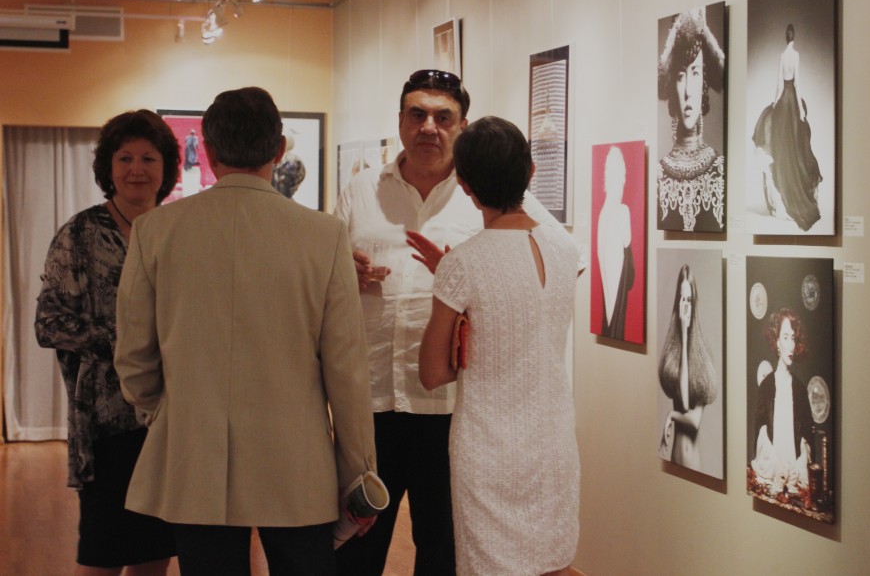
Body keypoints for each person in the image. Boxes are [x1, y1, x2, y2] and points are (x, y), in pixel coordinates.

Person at [114, 86, 377, 575]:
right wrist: (359, 470)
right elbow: (347, 370)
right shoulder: (324, 236)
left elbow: (133, 356)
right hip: (298, 462)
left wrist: (165, 412)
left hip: (195, 453)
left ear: (209, 151)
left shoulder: (155, 230)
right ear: (279, 149)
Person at [334, 69, 573, 575]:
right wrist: (340, 272)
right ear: (400, 120)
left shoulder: (491, 190)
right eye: (417, 114)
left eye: (443, 117)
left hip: (448, 408)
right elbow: (322, 279)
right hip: (371, 401)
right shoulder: (360, 190)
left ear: (462, 126)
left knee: (442, 550)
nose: (429, 127)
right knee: (355, 549)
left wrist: (472, 283)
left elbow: (561, 261)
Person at [418, 116, 579, 576]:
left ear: (464, 185)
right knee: (549, 563)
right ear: (531, 172)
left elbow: (432, 373)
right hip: (554, 441)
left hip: (488, 448)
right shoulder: (566, 250)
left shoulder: (463, 264)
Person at [34, 109, 180, 576]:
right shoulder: (79, 234)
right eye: (125, 158)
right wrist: (130, 342)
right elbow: (49, 323)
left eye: (148, 158)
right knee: (101, 557)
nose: (137, 169)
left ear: (166, 167)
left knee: (155, 555)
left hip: (171, 421)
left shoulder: (180, 230)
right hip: (105, 422)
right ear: (108, 167)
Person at [657, 7, 726, 232]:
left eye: (695, 73)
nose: (687, 91)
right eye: (680, 76)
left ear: (704, 81)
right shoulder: (659, 174)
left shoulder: (720, 168)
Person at [751, 22, 823, 231]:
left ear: (785, 37)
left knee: (783, 148)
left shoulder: (782, 56)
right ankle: (794, 192)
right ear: (794, 37)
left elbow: (779, 85)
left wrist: (774, 103)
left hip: (782, 103)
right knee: (794, 148)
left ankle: (783, 192)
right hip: (791, 103)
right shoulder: (795, 56)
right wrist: (800, 110)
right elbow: (797, 84)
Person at [657, 264, 718, 469]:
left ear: (694, 304)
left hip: (693, 464)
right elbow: (683, 401)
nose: (685, 305)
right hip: (675, 460)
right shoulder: (673, 355)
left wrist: (671, 415)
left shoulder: (702, 359)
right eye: (682, 299)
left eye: (689, 300)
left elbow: (690, 415)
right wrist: (681, 335)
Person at [750, 307, 814, 498]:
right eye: (785, 337)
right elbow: (761, 434)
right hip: (772, 479)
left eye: (793, 338)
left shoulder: (800, 390)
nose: (791, 345)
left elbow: (807, 439)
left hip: (794, 482)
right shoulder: (767, 387)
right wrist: (777, 466)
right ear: (777, 342)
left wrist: (798, 467)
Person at [596, 145, 633, 339]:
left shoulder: (602, 215)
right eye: (623, 175)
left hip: (609, 309)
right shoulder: (622, 211)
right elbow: (630, 276)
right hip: (617, 306)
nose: (624, 181)